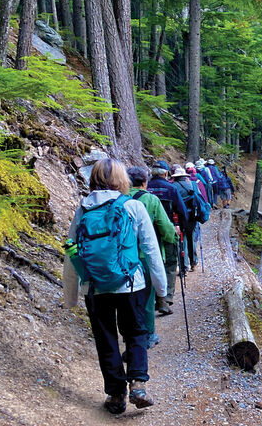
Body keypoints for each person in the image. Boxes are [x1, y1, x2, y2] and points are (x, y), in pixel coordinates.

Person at [63, 158, 167, 414]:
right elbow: (151, 250)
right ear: (123, 180)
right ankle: (138, 383)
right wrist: (161, 288)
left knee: (105, 338)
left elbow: (71, 251)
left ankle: (116, 394)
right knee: (135, 332)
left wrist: (71, 296)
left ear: (93, 179)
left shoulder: (84, 208)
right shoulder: (132, 206)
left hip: (95, 287)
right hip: (131, 283)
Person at [126, 166, 177, 348]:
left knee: (128, 297)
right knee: (147, 298)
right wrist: (174, 237)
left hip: (123, 257)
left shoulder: (119, 200)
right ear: (145, 182)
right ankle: (148, 334)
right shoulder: (150, 200)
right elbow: (165, 227)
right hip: (144, 256)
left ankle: (130, 335)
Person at [146, 160, 188, 314]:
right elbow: (182, 211)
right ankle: (167, 297)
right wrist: (181, 227)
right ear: (165, 173)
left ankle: (153, 297)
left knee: (151, 263)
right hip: (168, 231)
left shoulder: (145, 188)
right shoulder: (171, 188)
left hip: (147, 232)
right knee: (170, 263)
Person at [171, 165, 199, 272]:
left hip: (179, 217)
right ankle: (194, 261)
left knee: (182, 241)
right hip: (192, 216)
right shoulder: (192, 185)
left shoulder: (173, 186)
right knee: (191, 238)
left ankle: (184, 266)